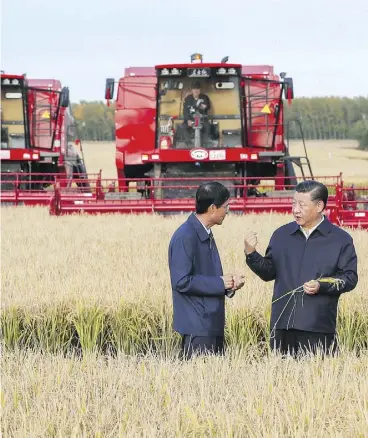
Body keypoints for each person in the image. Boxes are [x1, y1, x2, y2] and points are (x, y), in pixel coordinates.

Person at [244, 180, 358, 357]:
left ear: (319, 205)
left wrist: (322, 286)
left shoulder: (340, 239)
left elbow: (349, 278)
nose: (295, 209)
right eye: (293, 203)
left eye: (302, 205)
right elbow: (268, 272)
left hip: (318, 327)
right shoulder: (281, 235)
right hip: (282, 325)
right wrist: (251, 254)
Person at [168, 182, 245, 359]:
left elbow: (204, 276)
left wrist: (229, 285)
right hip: (198, 327)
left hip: (210, 323)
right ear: (212, 208)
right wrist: (220, 282)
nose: (228, 211)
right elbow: (181, 281)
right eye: (226, 206)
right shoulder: (185, 236)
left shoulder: (204, 232)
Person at [182, 81, 211, 146]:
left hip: (202, 118)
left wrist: (205, 106)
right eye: (194, 89)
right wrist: (188, 120)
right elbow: (185, 111)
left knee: (207, 126)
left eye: (198, 89)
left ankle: (205, 143)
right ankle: (188, 144)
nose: (196, 90)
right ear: (192, 90)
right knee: (183, 126)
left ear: (200, 90)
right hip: (191, 118)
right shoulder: (188, 98)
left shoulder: (205, 97)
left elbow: (208, 106)